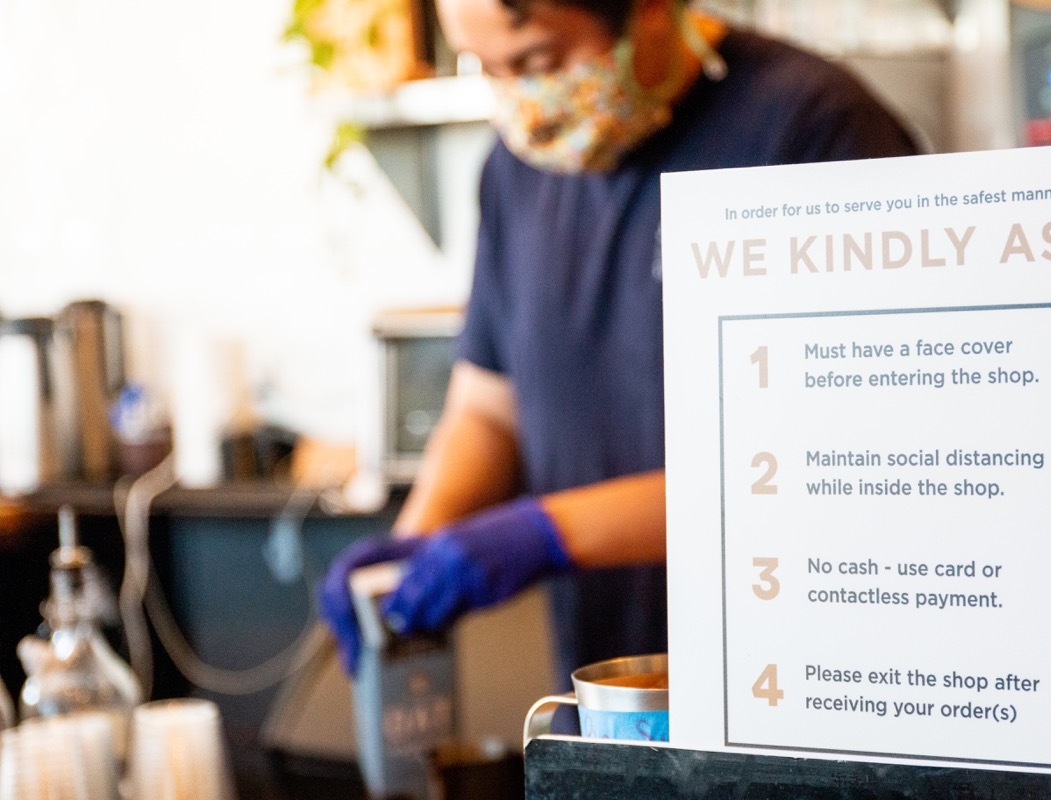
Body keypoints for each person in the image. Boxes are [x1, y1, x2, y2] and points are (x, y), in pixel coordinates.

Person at [319, 0, 917, 686]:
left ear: (651, 11)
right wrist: (414, 552)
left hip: (792, 678)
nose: (524, 105)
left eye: (537, 62)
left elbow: (856, 463)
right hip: (606, 684)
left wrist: (549, 533)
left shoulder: (813, 130)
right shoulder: (519, 168)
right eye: (488, 70)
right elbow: (490, 407)